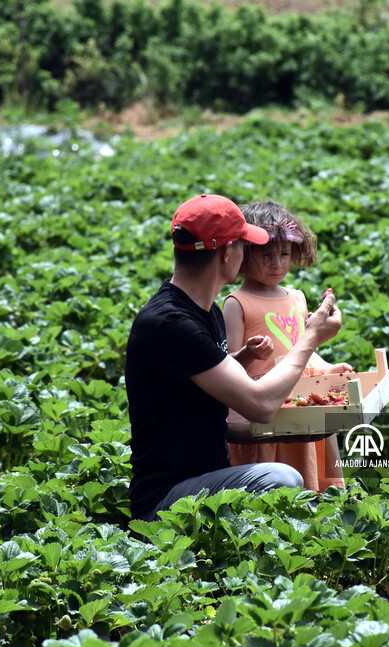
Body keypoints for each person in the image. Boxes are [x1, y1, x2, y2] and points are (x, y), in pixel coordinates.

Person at [125, 194, 343, 522]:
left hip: (204, 481)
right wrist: (311, 337)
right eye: (244, 246)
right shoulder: (172, 324)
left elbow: (218, 420)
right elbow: (259, 405)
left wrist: (298, 430)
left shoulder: (204, 311)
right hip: (168, 502)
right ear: (229, 253)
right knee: (283, 480)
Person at [223, 200, 352, 491]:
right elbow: (227, 364)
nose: (277, 263)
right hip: (265, 406)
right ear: (243, 253)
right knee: (275, 473)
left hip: (302, 401)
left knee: (309, 469)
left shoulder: (296, 296)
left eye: (283, 253)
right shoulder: (236, 303)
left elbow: (302, 350)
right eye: (265, 255)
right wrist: (247, 353)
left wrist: (328, 369)